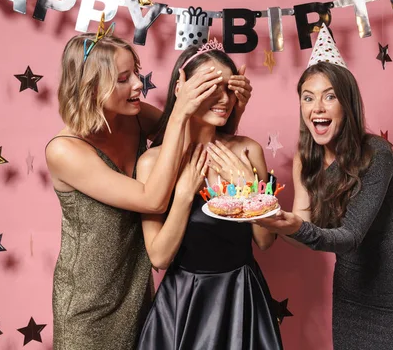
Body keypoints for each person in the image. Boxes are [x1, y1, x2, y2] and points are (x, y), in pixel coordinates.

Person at [45, 20, 253, 350]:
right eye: (123, 79)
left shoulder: (135, 117)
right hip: (89, 302)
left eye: (136, 73)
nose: (138, 86)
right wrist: (182, 108)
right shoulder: (65, 151)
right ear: (91, 86)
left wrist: (231, 106)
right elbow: (153, 199)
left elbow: (197, 134)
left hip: (138, 287)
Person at [255, 25, 393, 349]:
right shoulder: (305, 161)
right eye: (308, 98)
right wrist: (277, 224)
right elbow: (307, 234)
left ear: (347, 104)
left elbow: (349, 238)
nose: (317, 108)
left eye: (330, 96)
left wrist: (294, 227)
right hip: (352, 300)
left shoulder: (376, 155)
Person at [135, 39, 283, 350]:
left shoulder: (248, 149)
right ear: (183, 88)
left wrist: (249, 190)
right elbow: (159, 257)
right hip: (185, 303)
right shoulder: (152, 163)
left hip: (242, 298)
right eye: (210, 86)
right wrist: (184, 196)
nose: (224, 98)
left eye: (229, 88)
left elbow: (266, 241)